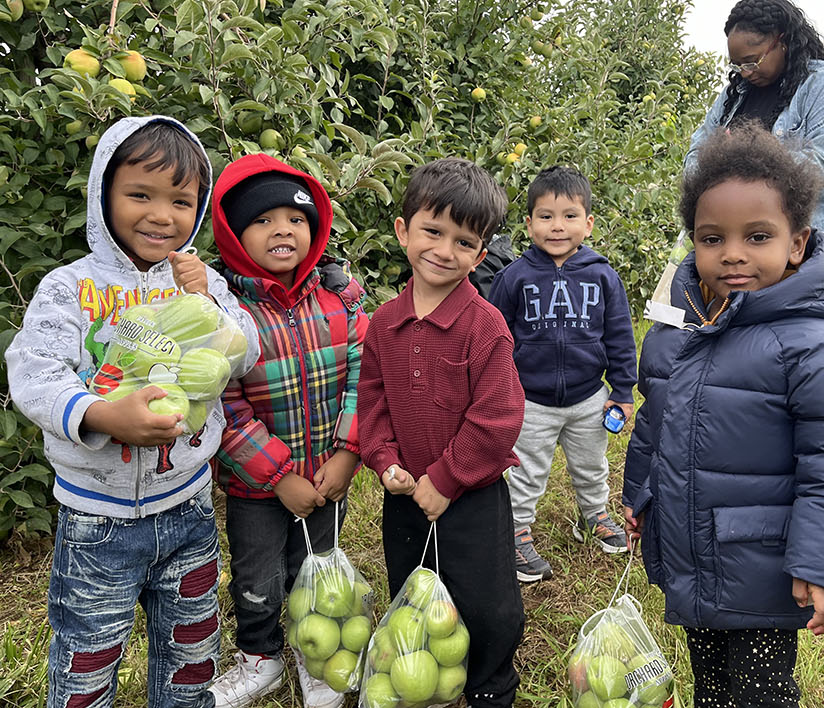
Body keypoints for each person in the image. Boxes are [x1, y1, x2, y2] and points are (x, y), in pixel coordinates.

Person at [622, 125, 824, 707]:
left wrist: (821, 565)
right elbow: (655, 421)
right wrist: (640, 495)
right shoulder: (681, 327)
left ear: (797, 243)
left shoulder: (814, 345)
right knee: (711, 686)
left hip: (764, 566)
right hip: (697, 552)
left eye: (758, 236)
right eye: (712, 238)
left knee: (761, 693)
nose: (733, 253)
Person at [5, 116, 260, 708]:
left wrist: (206, 299)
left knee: (193, 651)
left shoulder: (199, 283)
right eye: (139, 194)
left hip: (189, 504)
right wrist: (99, 414)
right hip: (98, 520)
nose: (160, 215)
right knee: (88, 654)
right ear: (103, 195)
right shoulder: (71, 287)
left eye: (180, 201)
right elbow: (34, 371)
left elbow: (245, 353)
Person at [357, 158, 527, 706]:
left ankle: (489, 687)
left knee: (487, 603)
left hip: (473, 497)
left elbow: (498, 417)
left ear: (480, 255)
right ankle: (424, 677)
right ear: (405, 231)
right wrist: (384, 461)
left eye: (463, 241)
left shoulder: (485, 327)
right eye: (433, 231)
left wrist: (448, 477)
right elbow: (374, 400)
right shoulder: (384, 323)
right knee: (413, 593)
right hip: (405, 494)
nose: (444, 250)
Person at [206, 154, 368, 708]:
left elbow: (363, 379)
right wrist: (277, 476)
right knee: (256, 575)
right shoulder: (225, 316)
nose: (283, 230)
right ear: (233, 234)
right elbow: (224, 407)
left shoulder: (340, 302)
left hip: (327, 476)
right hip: (258, 488)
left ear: (315, 227)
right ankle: (260, 656)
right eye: (263, 221)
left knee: (317, 566)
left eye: (296, 219)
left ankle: (313, 654)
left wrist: (348, 453)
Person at [487, 166, 637, 584]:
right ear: (530, 223)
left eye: (570, 215)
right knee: (526, 469)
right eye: (546, 216)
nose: (558, 226)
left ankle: (594, 516)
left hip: (589, 396)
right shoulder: (512, 277)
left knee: (591, 465)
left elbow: (621, 336)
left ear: (588, 223)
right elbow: (495, 337)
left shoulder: (603, 276)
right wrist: (497, 389)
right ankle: (516, 532)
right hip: (530, 399)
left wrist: (623, 390)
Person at [686, 0, 824, 264]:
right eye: (737, 66)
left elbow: (821, 166)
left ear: (782, 40)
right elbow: (695, 156)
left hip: (809, 238)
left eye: (752, 61)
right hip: (742, 242)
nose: (745, 73)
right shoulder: (734, 95)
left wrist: (734, 164)